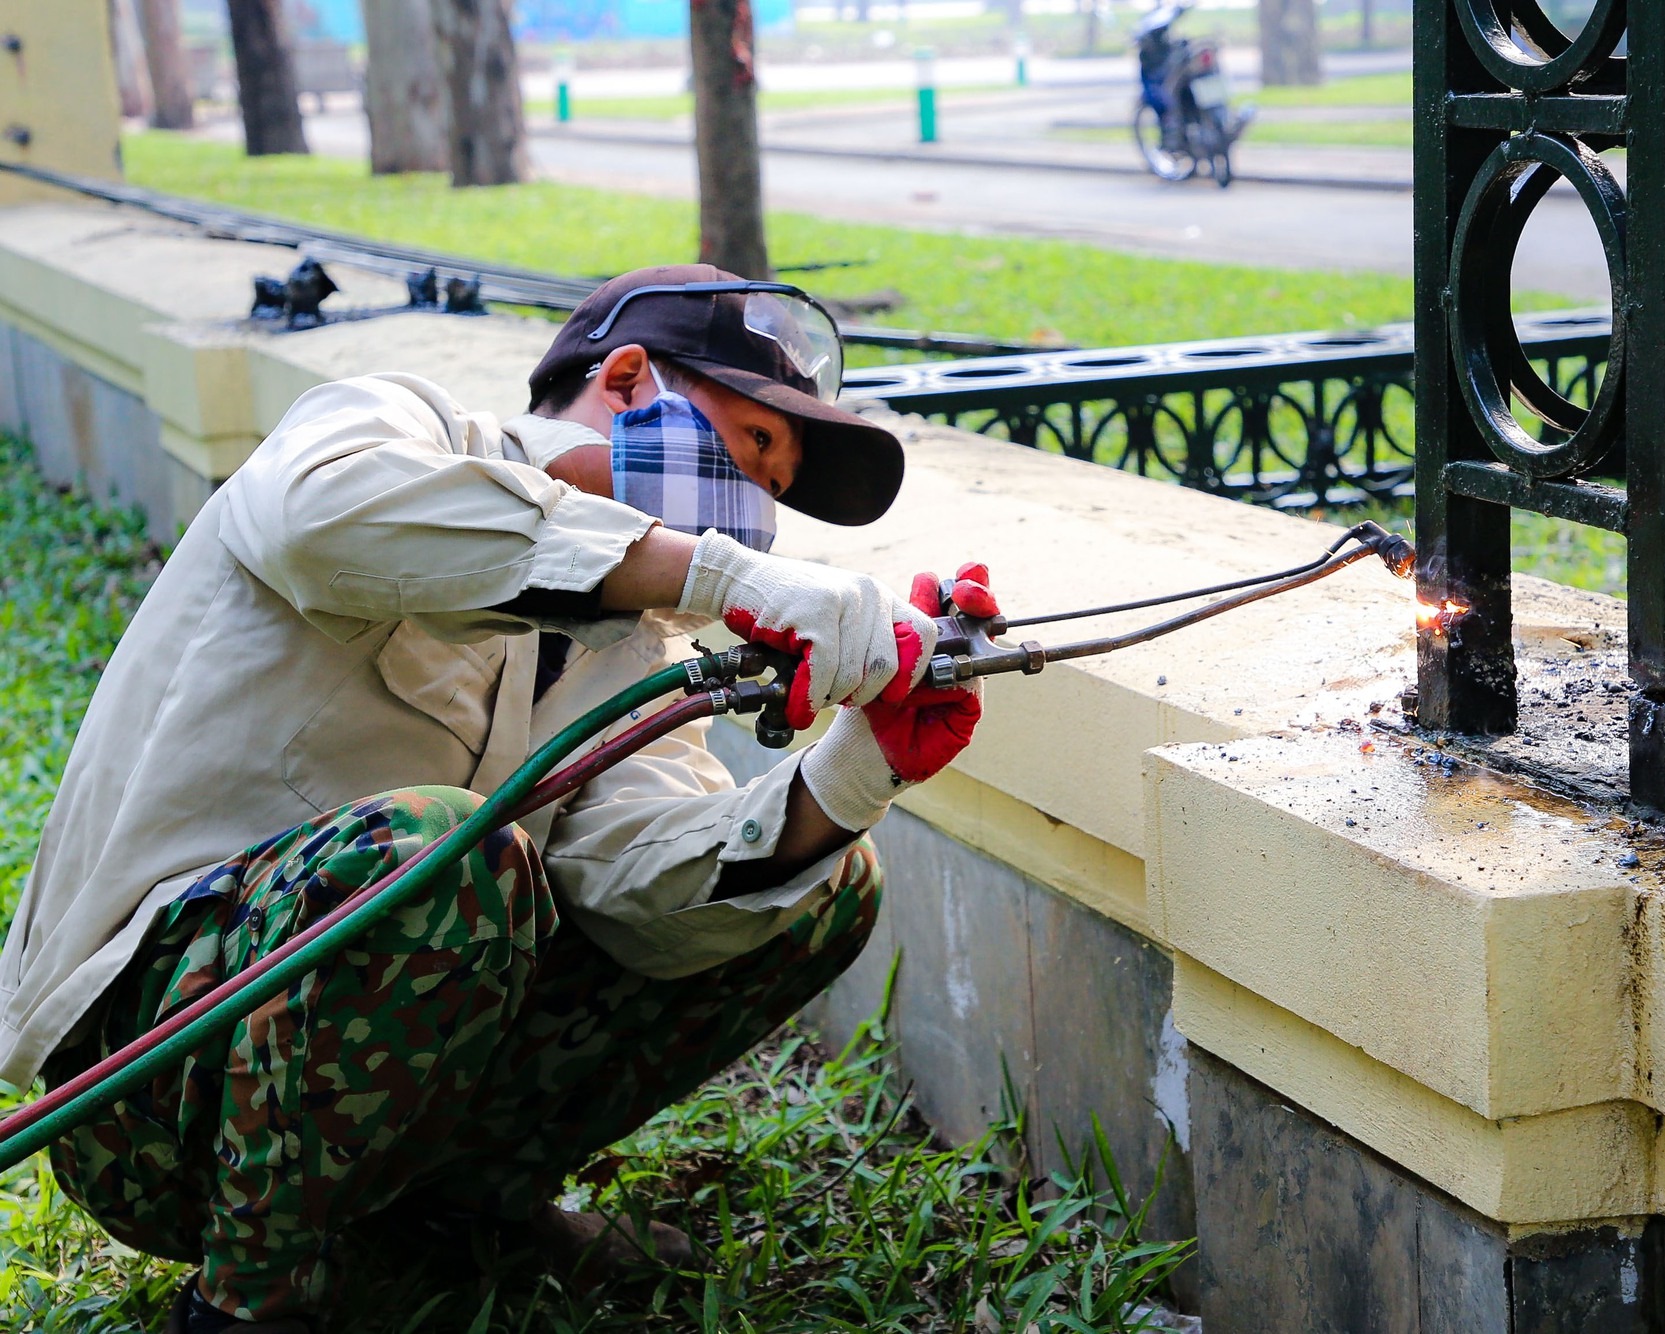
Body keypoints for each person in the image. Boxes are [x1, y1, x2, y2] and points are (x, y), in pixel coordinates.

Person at [0, 265, 997, 1333]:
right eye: (752, 446)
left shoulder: (630, 649)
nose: (755, 508)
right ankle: (255, 1303)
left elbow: (638, 894)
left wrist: (853, 772)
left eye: (774, 485)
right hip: (146, 1083)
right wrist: (716, 577)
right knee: (447, 852)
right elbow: (317, 517)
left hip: (375, 1092)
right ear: (624, 380)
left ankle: (461, 1212)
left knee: (826, 880)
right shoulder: (390, 425)